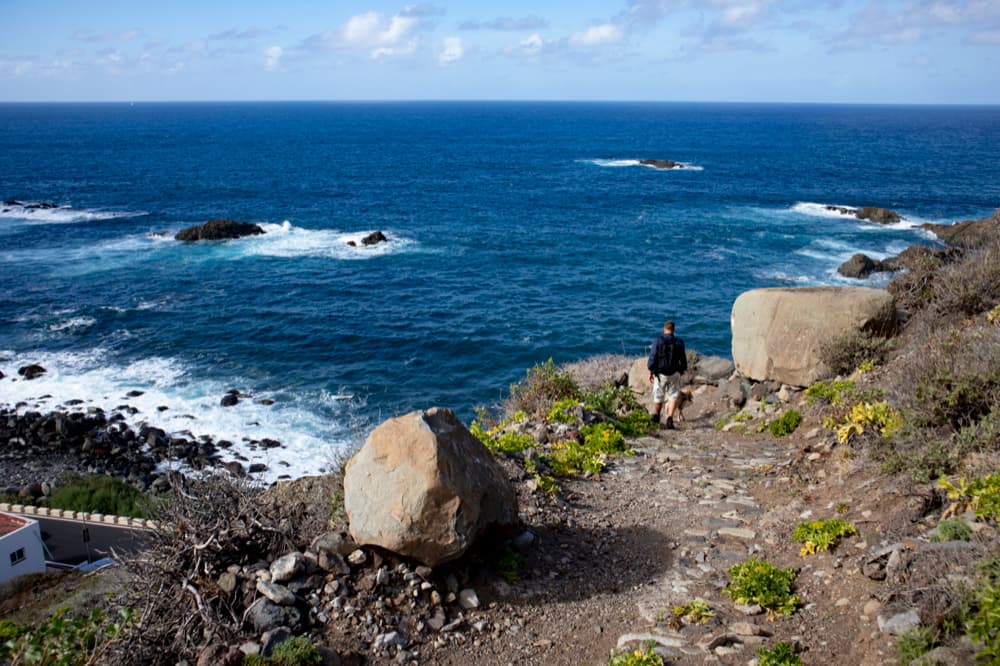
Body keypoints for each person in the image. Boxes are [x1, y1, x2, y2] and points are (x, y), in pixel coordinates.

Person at [647, 320, 687, 429]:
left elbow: (651, 360)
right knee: (673, 396)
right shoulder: (679, 342)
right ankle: (669, 418)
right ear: (673, 330)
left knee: (658, 395)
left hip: (660, 374)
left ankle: (657, 416)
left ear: (664, 330)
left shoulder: (657, 341)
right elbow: (683, 360)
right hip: (674, 373)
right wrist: (681, 370)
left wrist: (651, 371)